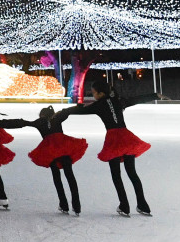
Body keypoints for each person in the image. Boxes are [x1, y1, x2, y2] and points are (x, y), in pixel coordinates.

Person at [56, 78, 160, 217]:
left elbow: (80, 110)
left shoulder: (98, 105)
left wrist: (63, 112)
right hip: (126, 137)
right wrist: (154, 95)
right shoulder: (118, 100)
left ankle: (124, 206)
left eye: (93, 93)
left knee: (116, 175)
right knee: (132, 173)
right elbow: (135, 99)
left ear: (99, 93)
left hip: (114, 140)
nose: (93, 95)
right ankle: (143, 205)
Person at [4, 106, 88, 215]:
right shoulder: (57, 118)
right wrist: (79, 106)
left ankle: (64, 204)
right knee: (70, 175)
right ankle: (77, 206)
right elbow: (68, 111)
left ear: (42, 115)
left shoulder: (40, 121)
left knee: (56, 177)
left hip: (50, 150)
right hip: (64, 146)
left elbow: (21, 123)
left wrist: (0, 123)